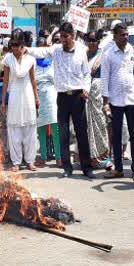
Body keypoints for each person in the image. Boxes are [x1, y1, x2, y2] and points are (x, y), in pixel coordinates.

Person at [27, 21, 94, 178]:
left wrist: (86, 89)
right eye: (61, 37)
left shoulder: (81, 51)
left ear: (73, 36)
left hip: (78, 96)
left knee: (81, 133)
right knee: (62, 133)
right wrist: (26, 50)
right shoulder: (56, 50)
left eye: (66, 36)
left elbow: (86, 73)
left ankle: (87, 167)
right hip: (62, 97)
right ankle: (67, 168)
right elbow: (41, 52)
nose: (63, 40)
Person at [101, 23, 134, 181]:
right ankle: (118, 168)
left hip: (131, 98)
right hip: (115, 100)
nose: (126, 37)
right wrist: (105, 102)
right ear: (115, 36)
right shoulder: (109, 54)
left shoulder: (132, 50)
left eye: (127, 34)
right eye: (122, 35)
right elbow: (104, 78)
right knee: (117, 135)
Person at [1, 37, 39, 171]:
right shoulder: (8, 59)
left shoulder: (30, 59)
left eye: (17, 45)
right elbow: (5, 81)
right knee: (14, 129)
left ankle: (30, 161)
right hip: (14, 95)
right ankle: (16, 162)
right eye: (12, 45)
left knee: (29, 128)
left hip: (28, 94)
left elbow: (33, 80)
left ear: (22, 45)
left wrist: (36, 97)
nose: (14, 48)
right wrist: (3, 102)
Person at [85, 30, 110, 167]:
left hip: (98, 94)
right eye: (89, 40)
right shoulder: (84, 55)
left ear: (98, 42)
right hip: (85, 96)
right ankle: (91, 157)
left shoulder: (102, 56)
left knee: (100, 124)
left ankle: (103, 156)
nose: (91, 43)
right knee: (88, 126)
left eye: (94, 40)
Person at [34, 36, 60, 167]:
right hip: (38, 94)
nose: (40, 49)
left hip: (51, 94)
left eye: (43, 47)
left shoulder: (53, 61)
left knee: (55, 126)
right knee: (41, 127)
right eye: (38, 46)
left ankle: (59, 158)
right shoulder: (32, 62)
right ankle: (43, 157)